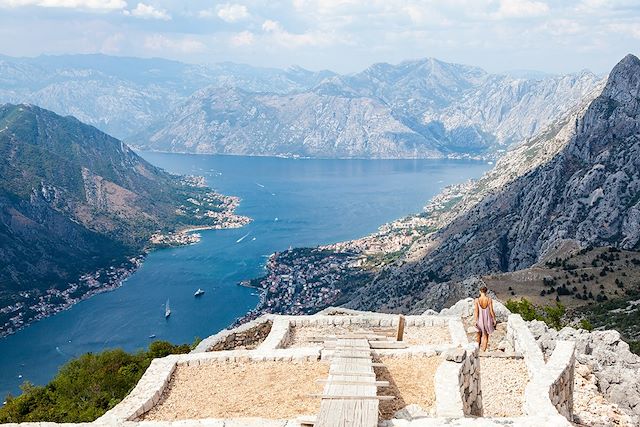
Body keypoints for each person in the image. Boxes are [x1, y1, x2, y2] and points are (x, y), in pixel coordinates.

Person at [474, 286, 496, 351]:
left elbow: (476, 311)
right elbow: (491, 311)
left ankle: (476, 350)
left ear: (480, 291)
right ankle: (483, 350)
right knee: (486, 335)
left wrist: (475, 320)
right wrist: (494, 319)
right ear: (486, 292)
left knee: (478, 334)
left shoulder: (477, 300)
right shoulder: (489, 300)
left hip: (479, 320)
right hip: (487, 319)